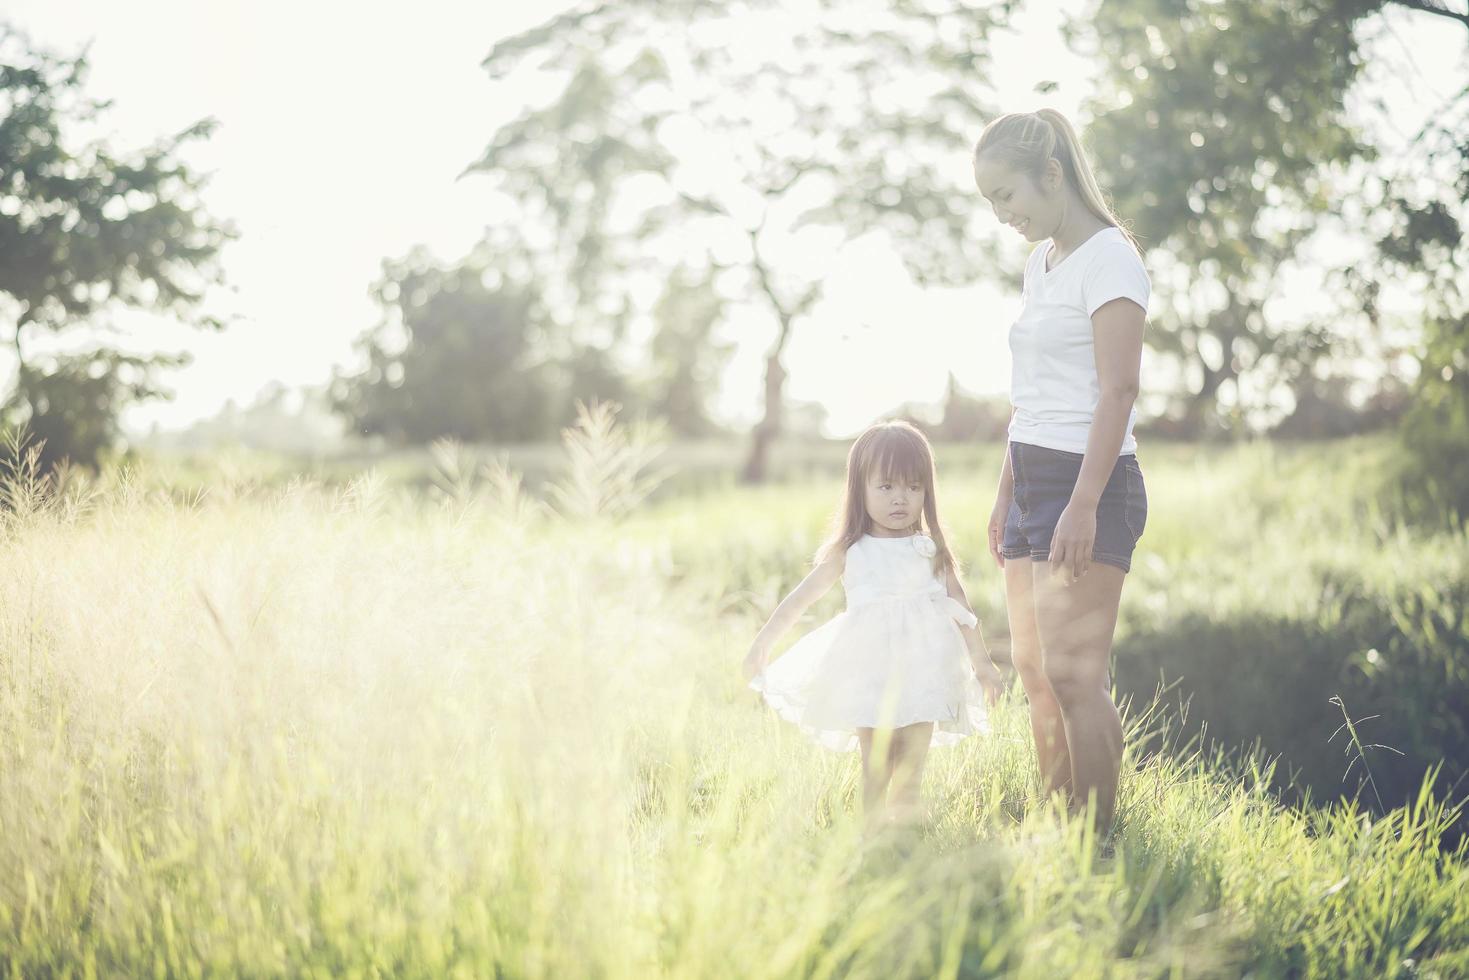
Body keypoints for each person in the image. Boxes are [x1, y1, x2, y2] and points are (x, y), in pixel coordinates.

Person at [972, 108, 1151, 833]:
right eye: (989, 202)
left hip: (1092, 486)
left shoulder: (1110, 258)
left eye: (1006, 194)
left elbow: (1117, 391)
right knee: (1035, 674)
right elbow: (1032, 397)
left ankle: (1099, 843)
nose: (1002, 213)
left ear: (1052, 174)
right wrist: (1004, 493)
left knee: (1076, 677)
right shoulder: (1038, 265)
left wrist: (1082, 503)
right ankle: (1059, 825)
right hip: (1030, 480)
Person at [743, 420, 1004, 828]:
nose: (900, 498)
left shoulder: (930, 549)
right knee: (877, 766)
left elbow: (961, 607)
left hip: (926, 669)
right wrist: (763, 644)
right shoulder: (851, 551)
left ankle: (905, 843)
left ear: (926, 492)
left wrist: (982, 663)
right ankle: (870, 838)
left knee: (912, 770)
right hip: (868, 671)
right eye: (886, 487)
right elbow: (800, 599)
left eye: (913, 487)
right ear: (859, 490)